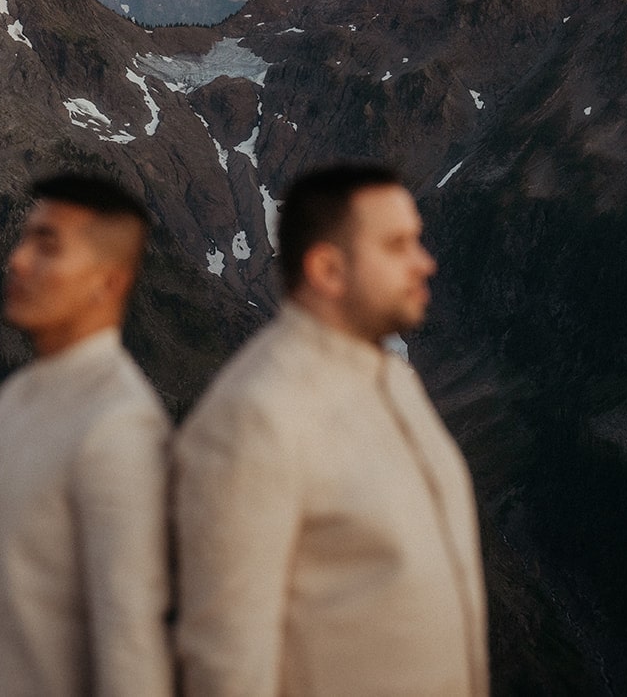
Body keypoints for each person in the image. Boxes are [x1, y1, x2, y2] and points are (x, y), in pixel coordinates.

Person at [171, 163, 488, 696]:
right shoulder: (255, 417)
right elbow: (224, 659)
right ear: (327, 269)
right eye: (398, 245)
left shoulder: (391, 381)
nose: (425, 262)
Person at [0, 173, 172, 697]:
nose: (18, 260)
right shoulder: (17, 397)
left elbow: (132, 650)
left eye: (47, 246)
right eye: (26, 239)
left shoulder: (120, 427)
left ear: (108, 282)